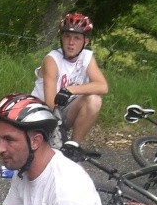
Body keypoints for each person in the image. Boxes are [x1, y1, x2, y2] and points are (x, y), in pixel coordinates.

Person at [31, 12, 108, 149]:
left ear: (86, 42)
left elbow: (102, 86)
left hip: (64, 111)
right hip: (41, 113)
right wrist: (57, 131)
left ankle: (73, 147)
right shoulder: (52, 59)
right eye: (67, 37)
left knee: (94, 100)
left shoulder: (86, 57)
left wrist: (70, 89)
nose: (71, 43)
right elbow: (50, 103)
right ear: (61, 38)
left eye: (77, 38)